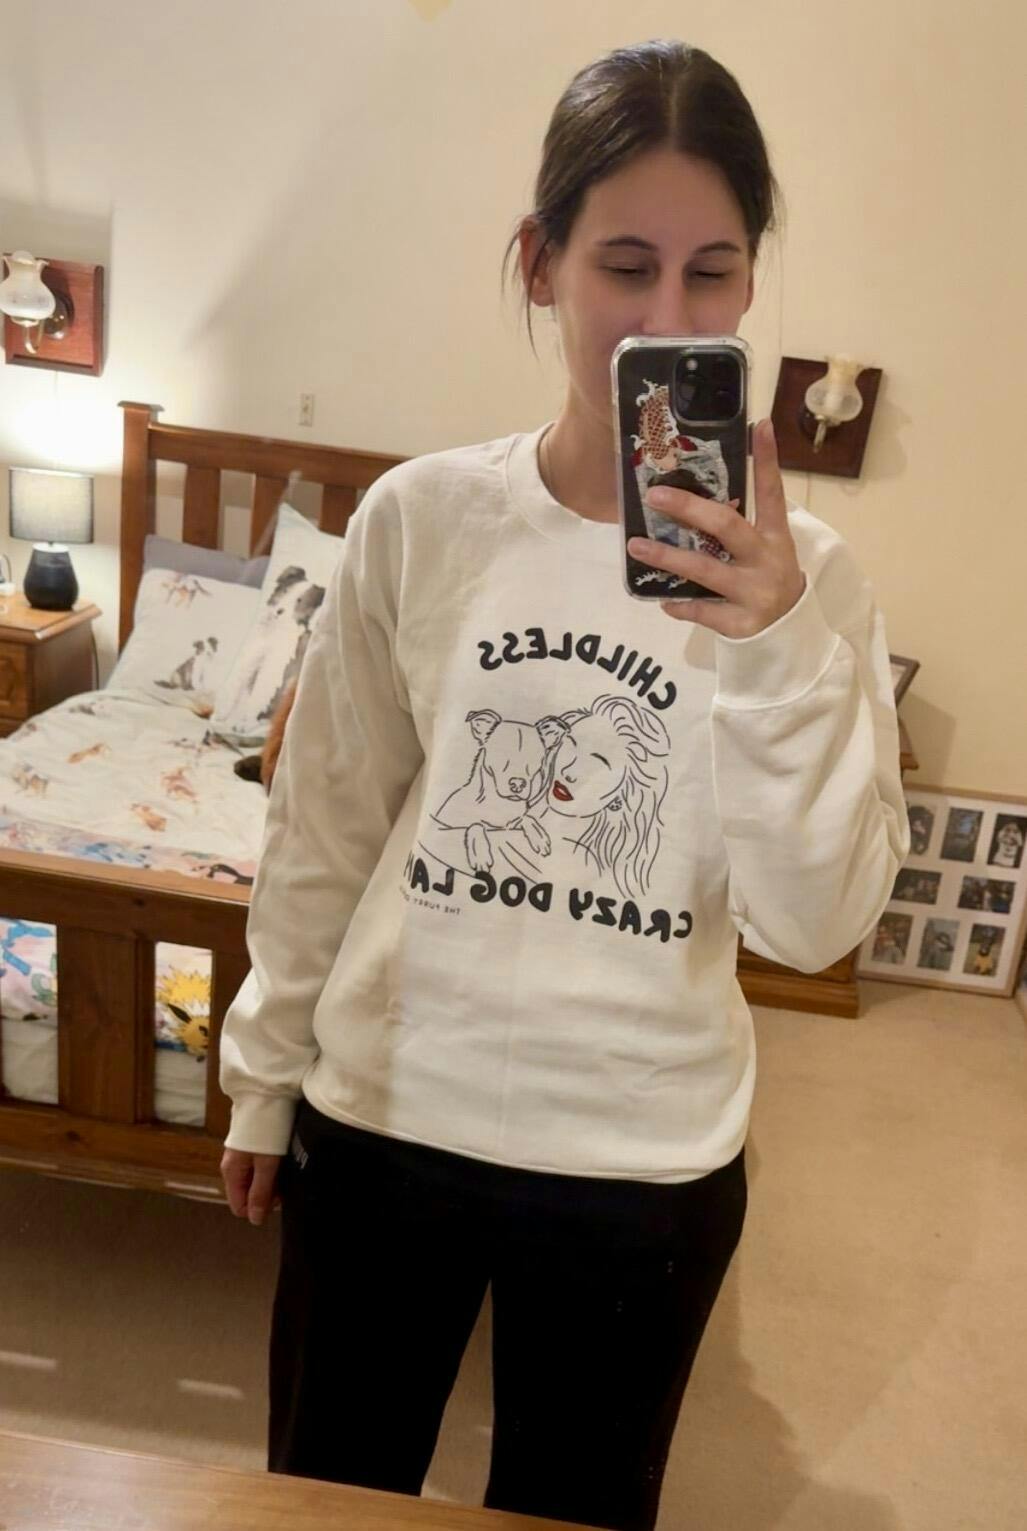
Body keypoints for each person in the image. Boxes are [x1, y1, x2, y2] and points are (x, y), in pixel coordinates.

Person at [219, 39, 909, 1531]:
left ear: (752, 281)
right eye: (625, 266)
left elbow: (812, 927)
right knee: (323, 1504)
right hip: (386, 1116)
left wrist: (778, 644)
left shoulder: (811, 580)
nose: (669, 319)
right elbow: (326, 826)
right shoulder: (422, 518)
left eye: (713, 273)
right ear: (540, 264)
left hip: (643, 1159)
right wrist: (265, 1081)